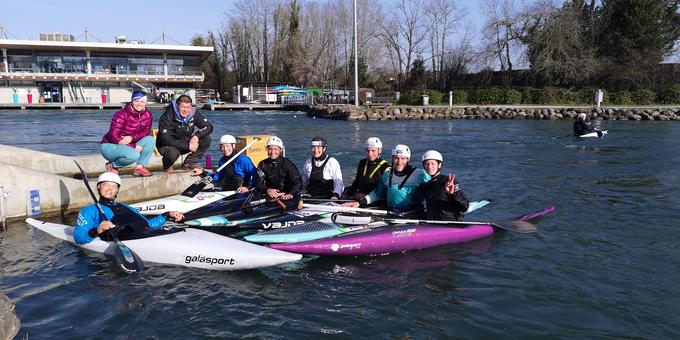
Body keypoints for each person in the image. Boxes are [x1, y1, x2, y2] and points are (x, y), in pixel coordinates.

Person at [73, 172, 184, 244]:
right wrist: (97, 230)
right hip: (131, 239)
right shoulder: (89, 210)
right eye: (106, 184)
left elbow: (148, 225)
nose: (110, 188)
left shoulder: (126, 207)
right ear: (99, 186)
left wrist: (167, 214)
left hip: (150, 234)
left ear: (117, 191)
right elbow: (78, 237)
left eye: (114, 186)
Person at [343, 144, 430, 215]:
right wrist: (359, 203)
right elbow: (377, 194)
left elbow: (435, 188)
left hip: (413, 214)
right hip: (392, 213)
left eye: (403, 158)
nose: (399, 162)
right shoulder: (388, 174)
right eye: (396, 158)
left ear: (408, 159)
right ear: (392, 159)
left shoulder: (420, 174)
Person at [100, 91, 155, 176]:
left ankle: (139, 168)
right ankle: (112, 166)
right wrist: (133, 146)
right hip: (110, 145)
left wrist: (132, 138)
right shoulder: (121, 115)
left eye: (142, 101)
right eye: (136, 101)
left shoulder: (148, 115)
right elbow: (113, 136)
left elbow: (146, 132)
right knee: (134, 155)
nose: (139, 104)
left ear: (145, 103)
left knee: (150, 140)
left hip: (127, 143)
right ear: (132, 101)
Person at [156, 94, 213, 172]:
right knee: (173, 154)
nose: (185, 110)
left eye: (188, 107)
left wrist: (196, 136)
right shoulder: (167, 116)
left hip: (186, 142)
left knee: (206, 139)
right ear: (177, 106)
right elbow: (166, 139)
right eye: (183, 107)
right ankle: (167, 166)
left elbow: (209, 127)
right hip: (167, 145)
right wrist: (187, 146)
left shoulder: (194, 114)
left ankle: (189, 163)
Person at [191, 134, 258, 193]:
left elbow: (256, 175)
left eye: (227, 146)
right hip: (227, 190)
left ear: (233, 146)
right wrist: (202, 172)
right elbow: (217, 178)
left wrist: (247, 187)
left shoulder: (243, 160)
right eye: (222, 146)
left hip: (241, 191)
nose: (225, 149)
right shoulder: (222, 161)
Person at [419, 150, 469, 221]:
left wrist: (452, 194)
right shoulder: (426, 185)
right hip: (432, 225)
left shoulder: (448, 181)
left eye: (433, 163)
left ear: (439, 165)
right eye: (427, 164)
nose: (429, 166)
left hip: (451, 224)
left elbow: (464, 207)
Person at [254, 136, 302, 200]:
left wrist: (291, 193)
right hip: (270, 196)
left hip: (285, 196)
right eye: (270, 149)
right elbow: (258, 183)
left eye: (275, 149)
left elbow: (298, 182)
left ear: (281, 150)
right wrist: (267, 190)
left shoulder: (287, 164)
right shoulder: (262, 164)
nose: (272, 152)